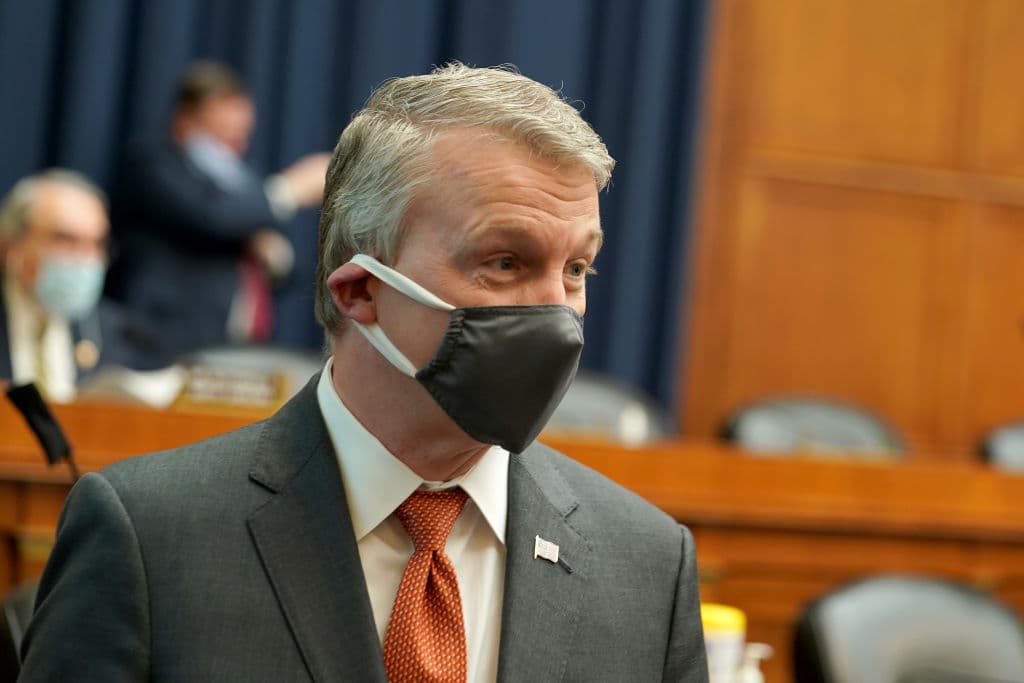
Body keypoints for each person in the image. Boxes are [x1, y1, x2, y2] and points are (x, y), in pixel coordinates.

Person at [20, 64, 708, 681]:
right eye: (505, 262)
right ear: (360, 291)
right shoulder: (149, 537)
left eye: (576, 269)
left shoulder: (648, 565)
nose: (558, 314)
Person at [107, 60, 330, 357]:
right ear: (186, 121)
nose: (235, 148)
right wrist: (288, 190)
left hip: (234, 339)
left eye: (242, 136)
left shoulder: (243, 179)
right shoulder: (152, 164)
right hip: (161, 335)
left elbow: (278, 256)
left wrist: (275, 256)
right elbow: (212, 217)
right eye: (223, 133)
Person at [0, 169, 163, 401]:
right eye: (65, 240)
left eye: (96, 244)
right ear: (11, 245)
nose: (84, 259)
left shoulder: (118, 333)